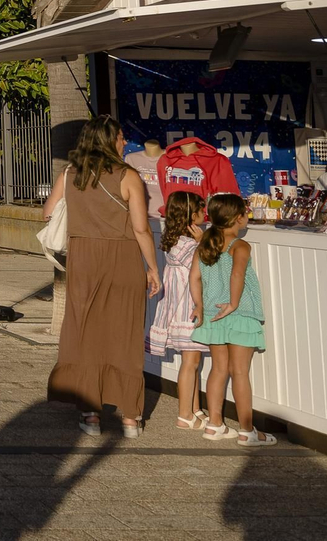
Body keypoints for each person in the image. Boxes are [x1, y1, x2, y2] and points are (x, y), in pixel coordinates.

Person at [44, 116, 161, 438]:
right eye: (121, 137)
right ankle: (130, 417)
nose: (125, 143)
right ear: (109, 140)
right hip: (122, 258)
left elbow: (49, 214)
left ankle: (91, 414)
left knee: (85, 333)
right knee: (125, 334)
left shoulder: (69, 175)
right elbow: (140, 228)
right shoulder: (128, 176)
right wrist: (152, 268)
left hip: (84, 258)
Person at [191, 194, 275, 446]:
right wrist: (234, 303)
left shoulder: (205, 244)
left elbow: (194, 277)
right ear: (238, 218)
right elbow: (237, 273)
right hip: (238, 314)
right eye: (245, 212)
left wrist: (199, 305)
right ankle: (247, 430)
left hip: (214, 315)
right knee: (240, 372)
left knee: (218, 369)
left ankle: (214, 424)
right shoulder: (240, 245)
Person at [147, 191, 208, 430]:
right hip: (187, 308)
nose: (205, 214)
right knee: (190, 362)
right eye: (201, 210)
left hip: (180, 306)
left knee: (193, 360)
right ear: (191, 215)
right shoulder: (188, 245)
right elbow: (204, 264)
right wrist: (203, 242)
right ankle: (184, 414)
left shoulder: (174, 240)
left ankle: (195, 409)